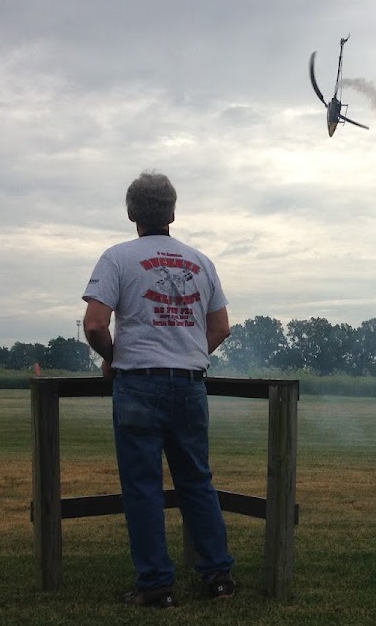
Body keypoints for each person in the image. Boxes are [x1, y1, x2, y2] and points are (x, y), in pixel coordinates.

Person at [82, 171, 235, 608]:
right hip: (190, 387)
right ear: (172, 212)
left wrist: (112, 358)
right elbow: (220, 326)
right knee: (197, 483)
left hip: (139, 385)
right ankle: (219, 577)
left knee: (143, 487)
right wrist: (187, 351)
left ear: (131, 214)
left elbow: (95, 323)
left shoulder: (117, 258)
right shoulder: (201, 261)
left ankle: (156, 585)